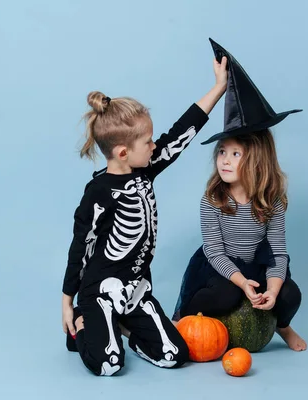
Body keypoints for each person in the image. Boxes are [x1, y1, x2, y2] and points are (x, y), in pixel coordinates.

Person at [61, 54, 229, 376]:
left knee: (174, 354)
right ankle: (82, 328)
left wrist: (218, 88)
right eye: (148, 141)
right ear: (124, 153)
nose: (155, 145)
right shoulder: (98, 192)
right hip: (100, 291)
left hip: (137, 287)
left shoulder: (145, 170)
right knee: (109, 364)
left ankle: (124, 327)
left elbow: (181, 134)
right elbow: (81, 246)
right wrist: (68, 302)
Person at [172, 38, 307, 352]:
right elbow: (215, 253)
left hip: (257, 264)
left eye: (235, 154)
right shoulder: (213, 200)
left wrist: (272, 289)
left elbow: (278, 254)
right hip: (221, 266)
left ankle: (282, 326)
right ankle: (187, 321)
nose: (225, 160)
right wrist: (242, 282)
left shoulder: (271, 201)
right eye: (222, 152)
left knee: (290, 294)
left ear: (257, 160)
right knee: (226, 296)